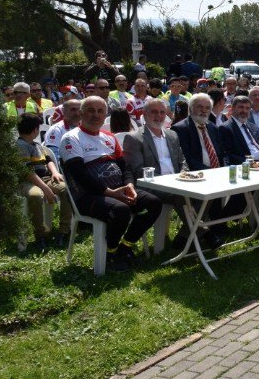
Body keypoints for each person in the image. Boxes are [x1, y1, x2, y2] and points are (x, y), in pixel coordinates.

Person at [59, 96, 163, 272]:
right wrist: (111, 193)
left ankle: (125, 246)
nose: (96, 115)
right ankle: (111, 252)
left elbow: (125, 167)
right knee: (120, 210)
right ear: (82, 113)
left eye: (100, 111)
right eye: (91, 110)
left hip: (117, 191)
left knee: (154, 202)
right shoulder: (71, 138)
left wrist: (129, 185)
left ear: (106, 114)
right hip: (87, 196)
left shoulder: (109, 137)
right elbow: (79, 174)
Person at [123, 99, 188, 245]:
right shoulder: (134, 138)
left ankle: (185, 235)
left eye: (162, 112)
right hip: (152, 186)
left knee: (207, 194)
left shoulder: (172, 135)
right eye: (153, 112)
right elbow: (138, 171)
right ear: (144, 114)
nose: (158, 116)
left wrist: (184, 173)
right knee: (181, 196)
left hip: (179, 181)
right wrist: (170, 182)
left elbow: (182, 160)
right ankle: (204, 232)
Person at [16, 114, 71, 250]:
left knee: (66, 190)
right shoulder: (20, 146)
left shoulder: (36, 144)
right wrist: (45, 188)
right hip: (27, 182)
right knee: (36, 196)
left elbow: (48, 160)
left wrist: (55, 172)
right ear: (35, 130)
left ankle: (64, 230)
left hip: (46, 178)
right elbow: (27, 171)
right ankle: (40, 234)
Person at [171, 93, 225, 172]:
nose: (204, 110)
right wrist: (212, 172)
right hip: (199, 174)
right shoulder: (180, 129)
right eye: (200, 107)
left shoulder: (212, 127)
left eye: (207, 108)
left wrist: (225, 169)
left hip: (219, 172)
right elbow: (187, 159)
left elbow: (222, 152)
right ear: (191, 108)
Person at [220, 95, 259, 163]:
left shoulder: (253, 127)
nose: (244, 111)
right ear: (233, 108)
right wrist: (250, 162)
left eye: (247, 108)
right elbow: (228, 154)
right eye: (241, 107)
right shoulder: (225, 128)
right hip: (246, 165)